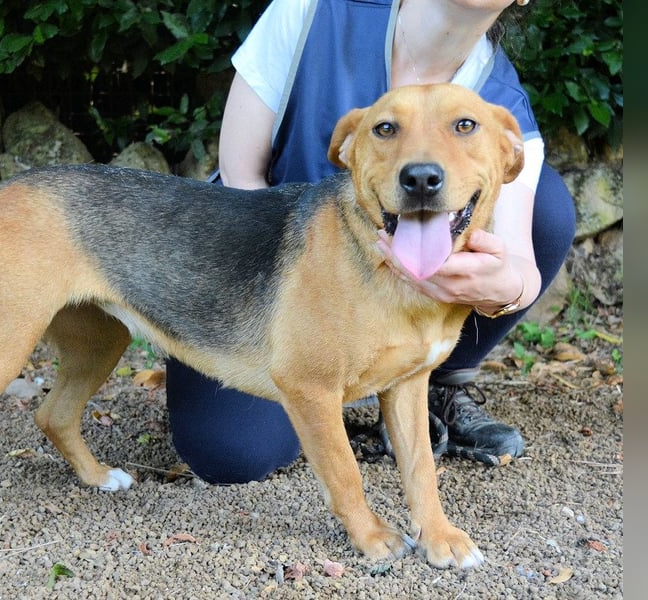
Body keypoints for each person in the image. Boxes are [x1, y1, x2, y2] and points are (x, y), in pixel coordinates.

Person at [165, 0, 576, 482]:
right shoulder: (311, 11)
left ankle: (426, 376)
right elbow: (241, 176)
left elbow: (522, 268)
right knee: (233, 453)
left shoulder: (503, 99)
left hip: (397, 291)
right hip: (262, 266)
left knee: (545, 208)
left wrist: (502, 286)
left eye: (462, 126)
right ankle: (333, 374)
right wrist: (309, 316)